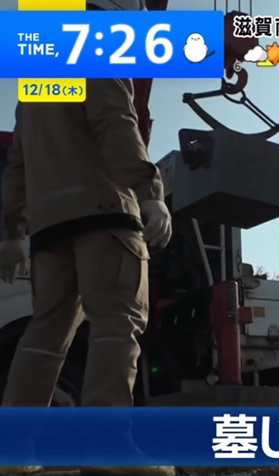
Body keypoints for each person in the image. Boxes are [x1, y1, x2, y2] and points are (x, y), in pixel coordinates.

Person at [0, 2, 174, 474]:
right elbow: (115, 122)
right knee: (117, 325)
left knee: (45, 335)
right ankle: (106, 446)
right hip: (104, 213)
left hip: (49, 227)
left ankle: (13, 450)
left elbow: (18, 160)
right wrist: (150, 193)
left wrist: (12, 232)